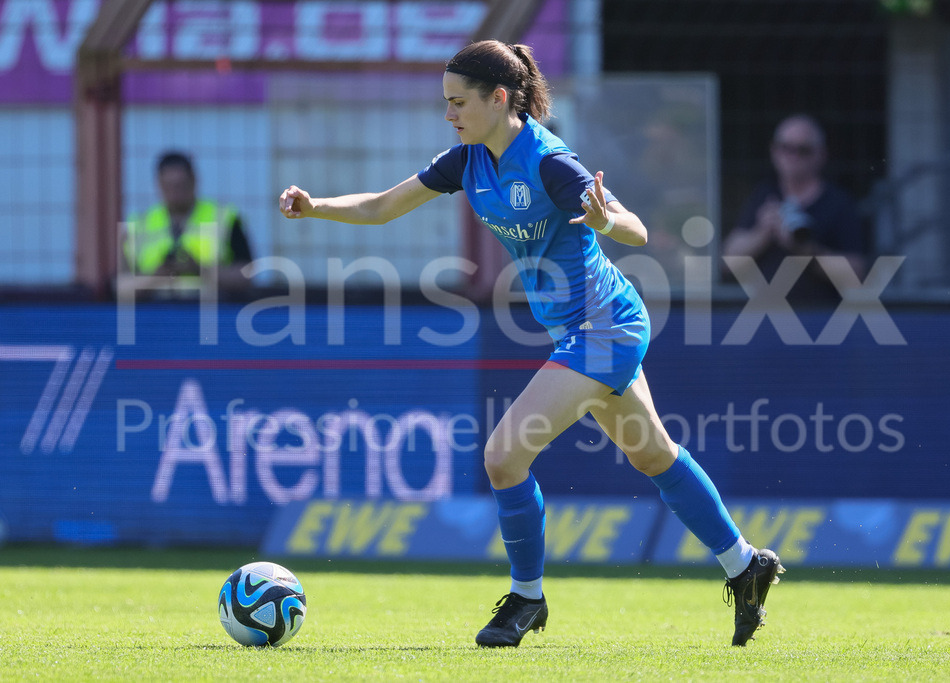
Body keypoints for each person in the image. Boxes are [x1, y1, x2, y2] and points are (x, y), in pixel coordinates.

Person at [279, 40, 783, 648]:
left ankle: (526, 599)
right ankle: (746, 565)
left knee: (502, 455)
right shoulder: (468, 160)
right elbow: (385, 207)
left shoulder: (549, 161)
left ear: (499, 99)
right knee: (654, 456)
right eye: (446, 103)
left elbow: (638, 230)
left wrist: (602, 220)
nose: (449, 115)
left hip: (606, 326)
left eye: (458, 102)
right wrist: (315, 208)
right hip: (580, 330)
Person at [723, 114, 867, 305]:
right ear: (774, 150)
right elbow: (727, 261)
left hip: (821, 322)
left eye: (803, 150)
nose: (793, 157)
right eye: (785, 148)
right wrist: (762, 232)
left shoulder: (838, 202)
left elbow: (857, 272)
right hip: (766, 318)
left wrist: (804, 249)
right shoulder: (764, 195)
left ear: (821, 154)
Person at [124, 151, 253, 292]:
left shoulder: (225, 218)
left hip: (212, 309)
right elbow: (121, 287)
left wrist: (199, 269)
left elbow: (246, 275)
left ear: (194, 180)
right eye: (169, 186)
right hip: (156, 309)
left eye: (180, 186)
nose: (175, 193)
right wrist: (157, 276)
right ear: (159, 184)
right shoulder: (139, 224)